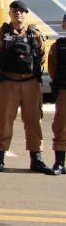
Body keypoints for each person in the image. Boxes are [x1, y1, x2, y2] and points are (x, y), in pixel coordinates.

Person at [0, 0, 53, 174]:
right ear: (9, 13)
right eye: (15, 10)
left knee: (33, 121)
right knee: (4, 121)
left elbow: (41, 57)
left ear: (26, 14)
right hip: (7, 83)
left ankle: (36, 158)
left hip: (30, 83)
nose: (18, 13)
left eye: (22, 11)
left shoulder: (35, 34)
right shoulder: (0, 34)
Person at [46, 13, 66, 175]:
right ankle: (59, 163)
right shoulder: (58, 47)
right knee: (61, 127)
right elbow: (52, 70)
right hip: (64, 91)